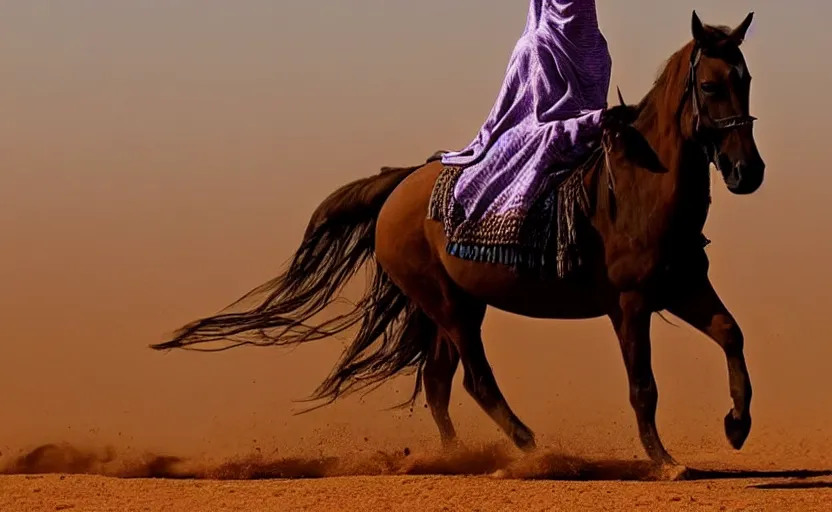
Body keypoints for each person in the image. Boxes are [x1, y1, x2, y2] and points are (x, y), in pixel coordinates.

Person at [440, 0, 612, 240]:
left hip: (592, 131)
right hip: (533, 130)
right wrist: (587, 123)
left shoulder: (597, 47)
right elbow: (540, 116)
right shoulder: (535, 46)